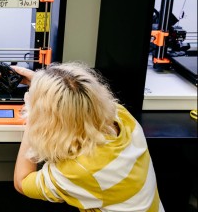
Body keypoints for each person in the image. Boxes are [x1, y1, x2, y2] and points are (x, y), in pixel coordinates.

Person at [12, 62, 164, 212]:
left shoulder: (79, 170)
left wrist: (33, 119)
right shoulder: (122, 116)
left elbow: (22, 182)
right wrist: (42, 84)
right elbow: (77, 104)